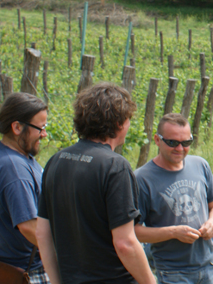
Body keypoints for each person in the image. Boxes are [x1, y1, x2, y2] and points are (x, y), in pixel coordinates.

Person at [37, 82, 156, 284]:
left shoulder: (56, 161)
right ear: (119, 123)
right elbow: (125, 243)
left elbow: (42, 233)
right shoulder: (115, 166)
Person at [134, 113, 213, 284]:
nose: (180, 149)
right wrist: (173, 232)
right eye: (172, 143)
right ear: (157, 140)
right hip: (172, 272)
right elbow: (134, 232)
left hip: (208, 265)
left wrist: (212, 223)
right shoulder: (142, 179)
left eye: (186, 143)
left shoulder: (200, 165)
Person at [0, 93, 50, 283]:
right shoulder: (14, 169)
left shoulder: (12, 156)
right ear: (17, 127)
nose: (44, 134)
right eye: (40, 128)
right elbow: (29, 227)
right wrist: (67, 253)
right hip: (26, 274)